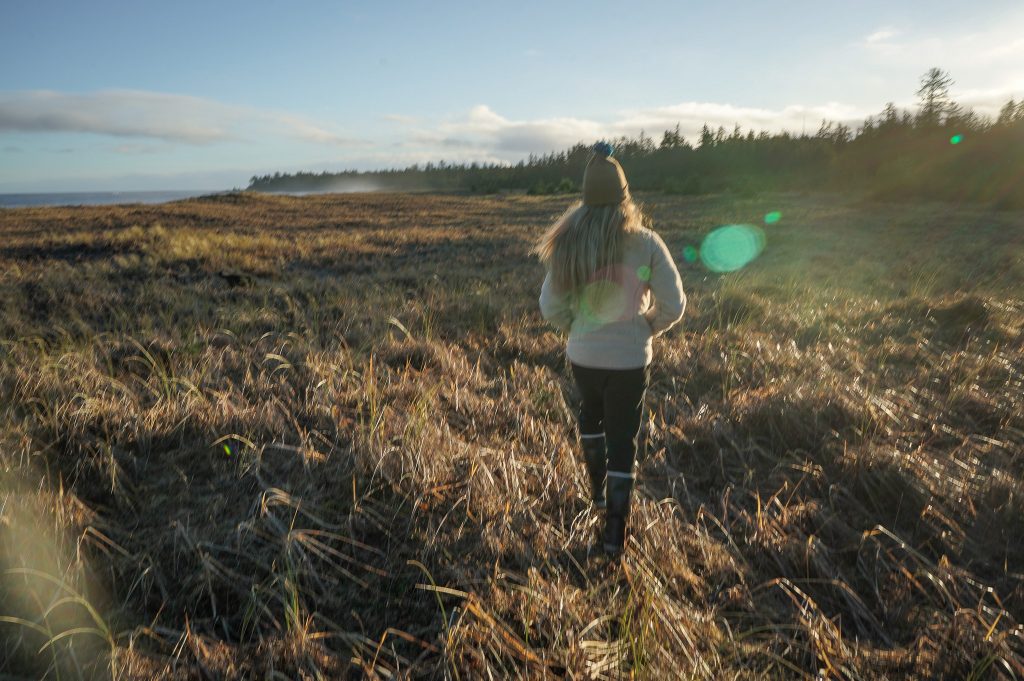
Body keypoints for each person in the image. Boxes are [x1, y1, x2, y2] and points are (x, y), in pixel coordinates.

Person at [533, 142, 685, 556]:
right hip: (629, 361)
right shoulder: (647, 242)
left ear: (585, 198)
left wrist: (578, 328)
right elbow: (675, 304)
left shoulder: (568, 243)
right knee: (625, 440)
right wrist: (646, 328)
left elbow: (549, 305)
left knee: (590, 413)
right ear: (626, 197)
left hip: (583, 356)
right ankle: (615, 533)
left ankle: (597, 493)